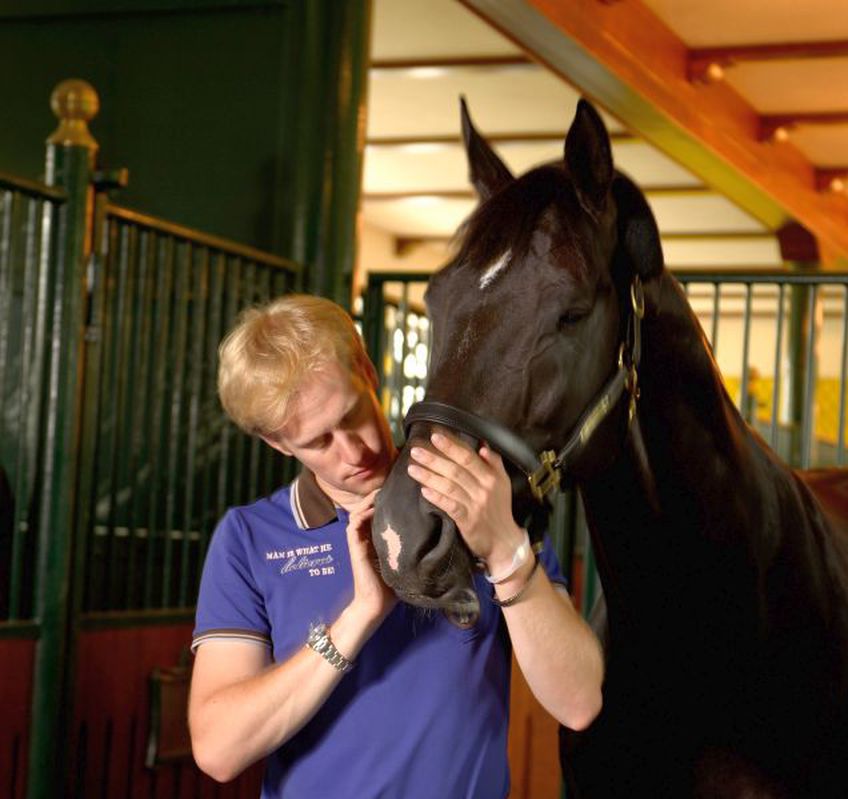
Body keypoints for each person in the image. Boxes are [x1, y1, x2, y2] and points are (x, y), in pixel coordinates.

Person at [188, 294, 603, 797]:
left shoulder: (474, 495)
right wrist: (360, 615)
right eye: (319, 442)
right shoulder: (249, 538)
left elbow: (579, 701)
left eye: (352, 414)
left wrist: (503, 550)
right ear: (279, 444)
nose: (353, 451)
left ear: (367, 370)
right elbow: (218, 750)